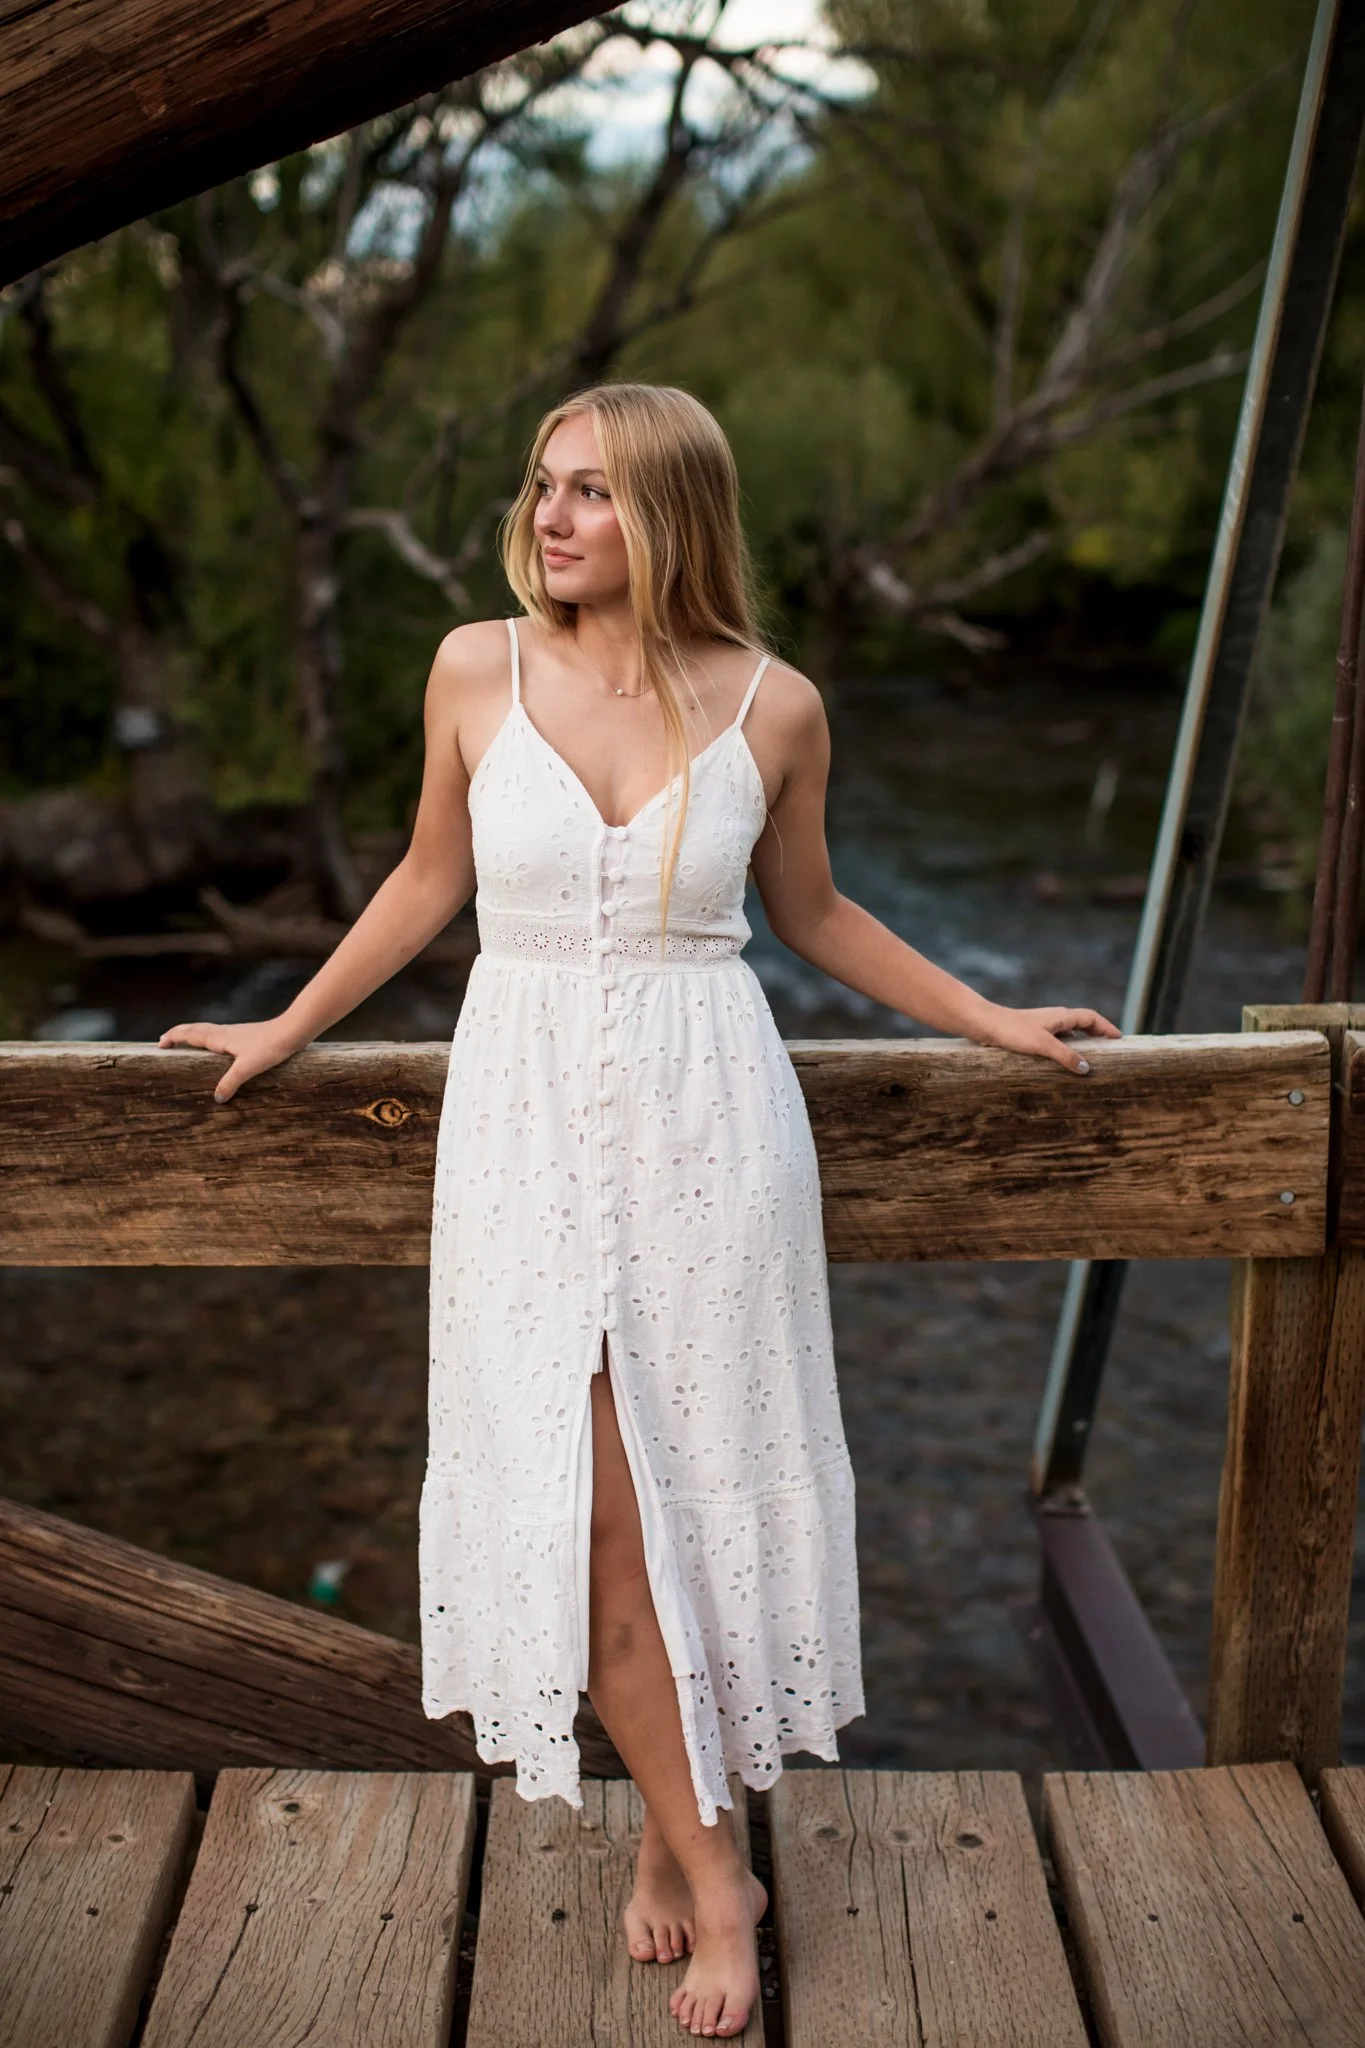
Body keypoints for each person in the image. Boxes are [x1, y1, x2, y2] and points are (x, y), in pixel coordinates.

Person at [160, 380, 1121, 2039]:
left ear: (668, 515)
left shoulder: (778, 705)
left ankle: (675, 1859)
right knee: (586, 1510)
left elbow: (814, 913)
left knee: (702, 1499)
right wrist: (283, 1024)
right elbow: (423, 881)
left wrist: (993, 1018)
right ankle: (717, 1858)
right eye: (542, 484)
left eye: (591, 492)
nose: (549, 517)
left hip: (709, 1127)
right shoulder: (478, 667)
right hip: (520, 1128)